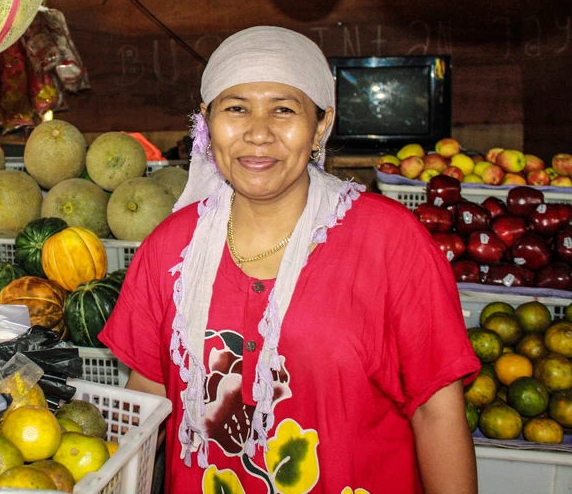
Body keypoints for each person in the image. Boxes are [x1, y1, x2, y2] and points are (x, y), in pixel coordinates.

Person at [99, 26, 479, 494]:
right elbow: (149, 399)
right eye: (236, 108)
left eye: (283, 109)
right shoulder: (169, 250)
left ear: (322, 123)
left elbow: (436, 411)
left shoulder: (391, 241)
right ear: (206, 120)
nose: (258, 133)